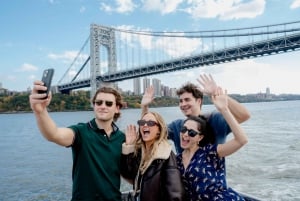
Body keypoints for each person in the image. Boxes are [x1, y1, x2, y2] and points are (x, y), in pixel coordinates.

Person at [29, 81, 125, 201]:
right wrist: (40, 111)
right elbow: (54, 134)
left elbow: (130, 174)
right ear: (94, 106)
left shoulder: (122, 138)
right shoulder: (81, 132)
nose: (103, 106)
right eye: (98, 102)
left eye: (109, 103)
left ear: (117, 108)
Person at [141, 74, 250, 154]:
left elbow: (244, 116)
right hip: (183, 184)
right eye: (180, 101)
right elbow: (151, 134)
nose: (183, 104)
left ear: (199, 101)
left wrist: (219, 97)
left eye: (187, 100)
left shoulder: (215, 119)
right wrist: (144, 107)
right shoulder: (177, 126)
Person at [176, 87, 248, 201]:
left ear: (200, 137)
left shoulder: (210, 152)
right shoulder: (177, 160)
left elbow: (241, 140)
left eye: (191, 132)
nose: (185, 134)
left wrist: (224, 109)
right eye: (183, 129)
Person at [120, 111, 185, 201]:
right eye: (142, 122)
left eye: (151, 123)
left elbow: (175, 195)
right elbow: (128, 174)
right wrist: (129, 147)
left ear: (159, 130)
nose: (145, 125)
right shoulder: (140, 152)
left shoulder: (166, 155)